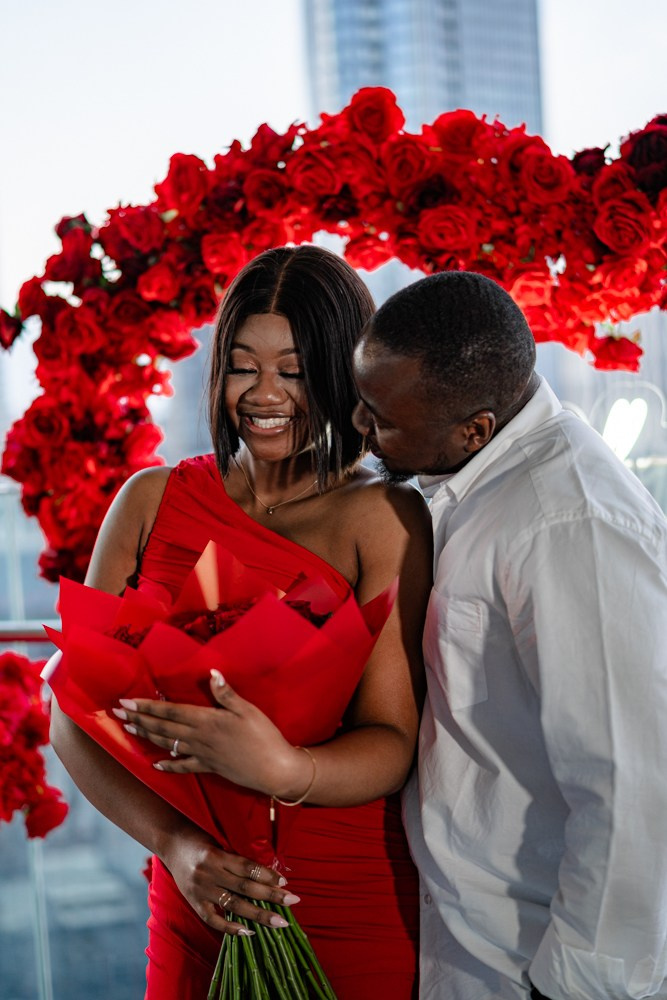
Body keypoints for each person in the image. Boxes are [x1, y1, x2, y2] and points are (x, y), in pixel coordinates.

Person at [49, 245, 433, 1000]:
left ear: (342, 376)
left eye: (294, 370)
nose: (263, 394)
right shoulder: (148, 500)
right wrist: (177, 847)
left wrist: (284, 769)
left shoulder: (384, 517)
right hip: (197, 894)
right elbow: (71, 713)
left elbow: (392, 741)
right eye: (242, 367)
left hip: (344, 900)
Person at [351, 269, 667, 1000]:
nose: (361, 426)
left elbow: (632, 781)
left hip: (531, 964)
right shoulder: (473, 474)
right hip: (466, 940)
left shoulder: (569, 522)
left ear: (476, 428)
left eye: (382, 418)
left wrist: (575, 983)